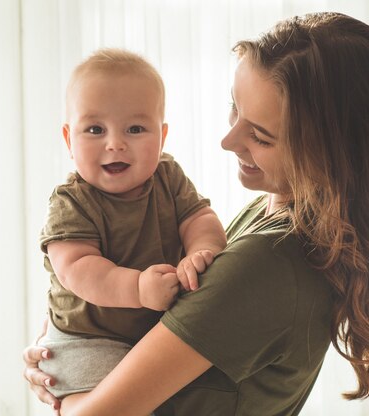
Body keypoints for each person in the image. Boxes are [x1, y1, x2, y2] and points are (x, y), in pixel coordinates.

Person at [24, 12, 369, 415]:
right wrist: (68, 342)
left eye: (259, 135)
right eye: (234, 109)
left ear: (326, 153)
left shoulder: (267, 261)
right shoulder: (269, 211)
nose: (227, 140)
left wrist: (59, 389)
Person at [37, 48, 227, 399]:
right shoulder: (71, 201)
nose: (115, 144)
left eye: (136, 129)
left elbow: (199, 217)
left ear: (162, 136)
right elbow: (77, 269)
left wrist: (204, 249)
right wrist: (137, 288)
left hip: (150, 333)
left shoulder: (168, 177)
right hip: (88, 340)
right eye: (95, 129)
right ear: (69, 140)